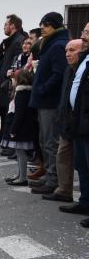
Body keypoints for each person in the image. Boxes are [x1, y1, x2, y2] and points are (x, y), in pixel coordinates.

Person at [28, 12, 69, 195]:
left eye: (45, 24)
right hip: (44, 100)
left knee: (51, 142)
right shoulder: (50, 44)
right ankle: (49, 176)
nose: (42, 27)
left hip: (50, 102)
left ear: (54, 25)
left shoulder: (57, 45)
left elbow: (58, 74)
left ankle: (53, 180)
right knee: (45, 141)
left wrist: (43, 88)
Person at [43, 39, 84, 203]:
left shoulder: (84, 69)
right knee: (63, 155)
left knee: (81, 161)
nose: (67, 54)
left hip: (81, 121)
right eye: (67, 50)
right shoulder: (69, 69)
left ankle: (83, 197)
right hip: (67, 119)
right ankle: (64, 190)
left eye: (72, 50)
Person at [59, 22, 89, 228]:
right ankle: (85, 202)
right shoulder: (84, 60)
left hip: (86, 122)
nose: (84, 35)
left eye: (87, 32)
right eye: (84, 31)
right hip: (78, 122)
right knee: (83, 167)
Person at [0, 14, 24, 147]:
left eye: (5, 24)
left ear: (12, 26)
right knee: (4, 113)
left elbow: (16, 63)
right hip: (2, 82)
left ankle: (8, 140)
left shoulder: (18, 41)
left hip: (9, 83)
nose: (4, 27)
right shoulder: (9, 42)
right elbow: (1, 62)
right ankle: (2, 137)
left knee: (9, 113)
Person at [3, 69, 37, 186]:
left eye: (14, 78)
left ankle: (22, 177)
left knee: (21, 153)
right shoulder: (24, 92)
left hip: (21, 128)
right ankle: (19, 175)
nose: (12, 80)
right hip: (23, 127)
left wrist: (13, 129)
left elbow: (19, 114)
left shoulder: (22, 94)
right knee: (19, 153)